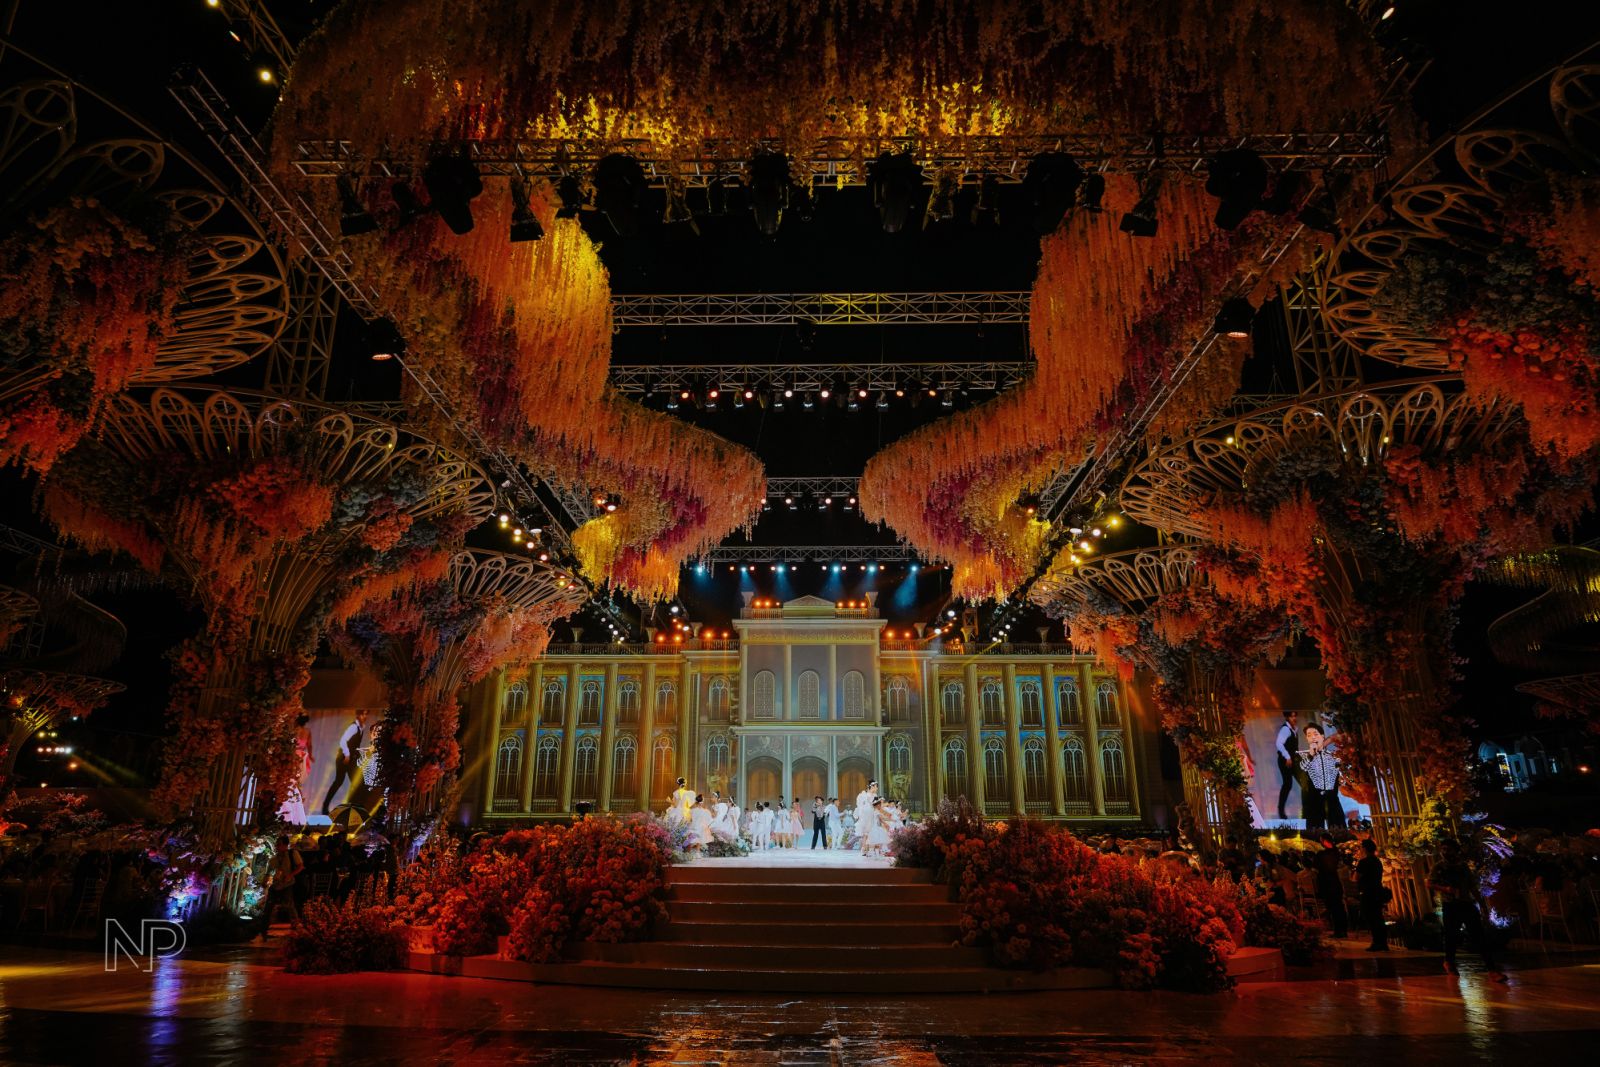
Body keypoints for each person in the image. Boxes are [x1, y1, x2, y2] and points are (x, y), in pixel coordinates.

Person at [1429, 839, 1506, 980]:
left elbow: (1472, 886)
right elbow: (1429, 883)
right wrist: (1445, 889)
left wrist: (1482, 904)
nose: (1445, 852)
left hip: (1466, 904)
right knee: (1451, 937)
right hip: (1450, 905)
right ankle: (1449, 962)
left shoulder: (1462, 867)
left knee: (1479, 936)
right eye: (1443, 849)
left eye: (1448, 849)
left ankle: (1492, 970)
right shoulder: (1439, 867)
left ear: (1455, 850)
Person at [321, 709, 367, 816]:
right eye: (363, 714)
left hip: (351, 759)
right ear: (358, 715)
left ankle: (356, 808)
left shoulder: (361, 728)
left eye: (366, 714)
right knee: (340, 782)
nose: (365, 716)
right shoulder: (353, 727)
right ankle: (325, 806)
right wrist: (347, 754)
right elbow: (343, 740)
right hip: (344, 759)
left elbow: (354, 744)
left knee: (354, 783)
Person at [1300, 725, 1341, 831]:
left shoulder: (1333, 756)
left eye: (1316, 734)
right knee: (1315, 831)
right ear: (1307, 739)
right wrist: (1311, 755)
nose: (1313, 737)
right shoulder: (1304, 756)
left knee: (1338, 829)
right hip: (1314, 801)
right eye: (1309, 735)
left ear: (1322, 736)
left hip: (1332, 798)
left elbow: (1339, 773)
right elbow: (1302, 768)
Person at [262, 834, 303, 928]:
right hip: (277, 883)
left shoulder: (292, 854)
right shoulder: (274, 859)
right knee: (270, 903)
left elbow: (300, 866)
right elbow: (268, 872)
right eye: (277, 844)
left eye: (279, 844)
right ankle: (264, 922)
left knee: (289, 903)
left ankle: (295, 922)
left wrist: (290, 875)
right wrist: (265, 881)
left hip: (288, 883)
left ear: (285, 845)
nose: (277, 846)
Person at [1312, 833, 1349, 938]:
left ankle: (1338, 931)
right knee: (1339, 908)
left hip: (1326, 884)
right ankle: (1343, 930)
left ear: (1324, 841)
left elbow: (1315, 870)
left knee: (1333, 908)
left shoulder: (1321, 855)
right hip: (1336, 884)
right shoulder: (1338, 853)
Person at [1356, 838, 1389, 951]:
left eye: (1361, 848)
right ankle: (1383, 942)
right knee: (1378, 917)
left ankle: (1376, 942)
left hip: (1367, 892)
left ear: (1364, 849)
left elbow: (1355, 877)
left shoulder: (1363, 862)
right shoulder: (1377, 861)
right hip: (1377, 891)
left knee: (1370, 917)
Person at [1274, 709, 1300, 821]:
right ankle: (1281, 809)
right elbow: (1279, 744)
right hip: (1285, 760)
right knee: (1287, 784)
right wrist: (1287, 757)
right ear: (1287, 718)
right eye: (1291, 716)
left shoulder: (1294, 729)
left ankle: (1308, 807)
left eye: (1295, 716)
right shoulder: (1285, 729)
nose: (1294, 718)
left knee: (1300, 782)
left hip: (1293, 760)